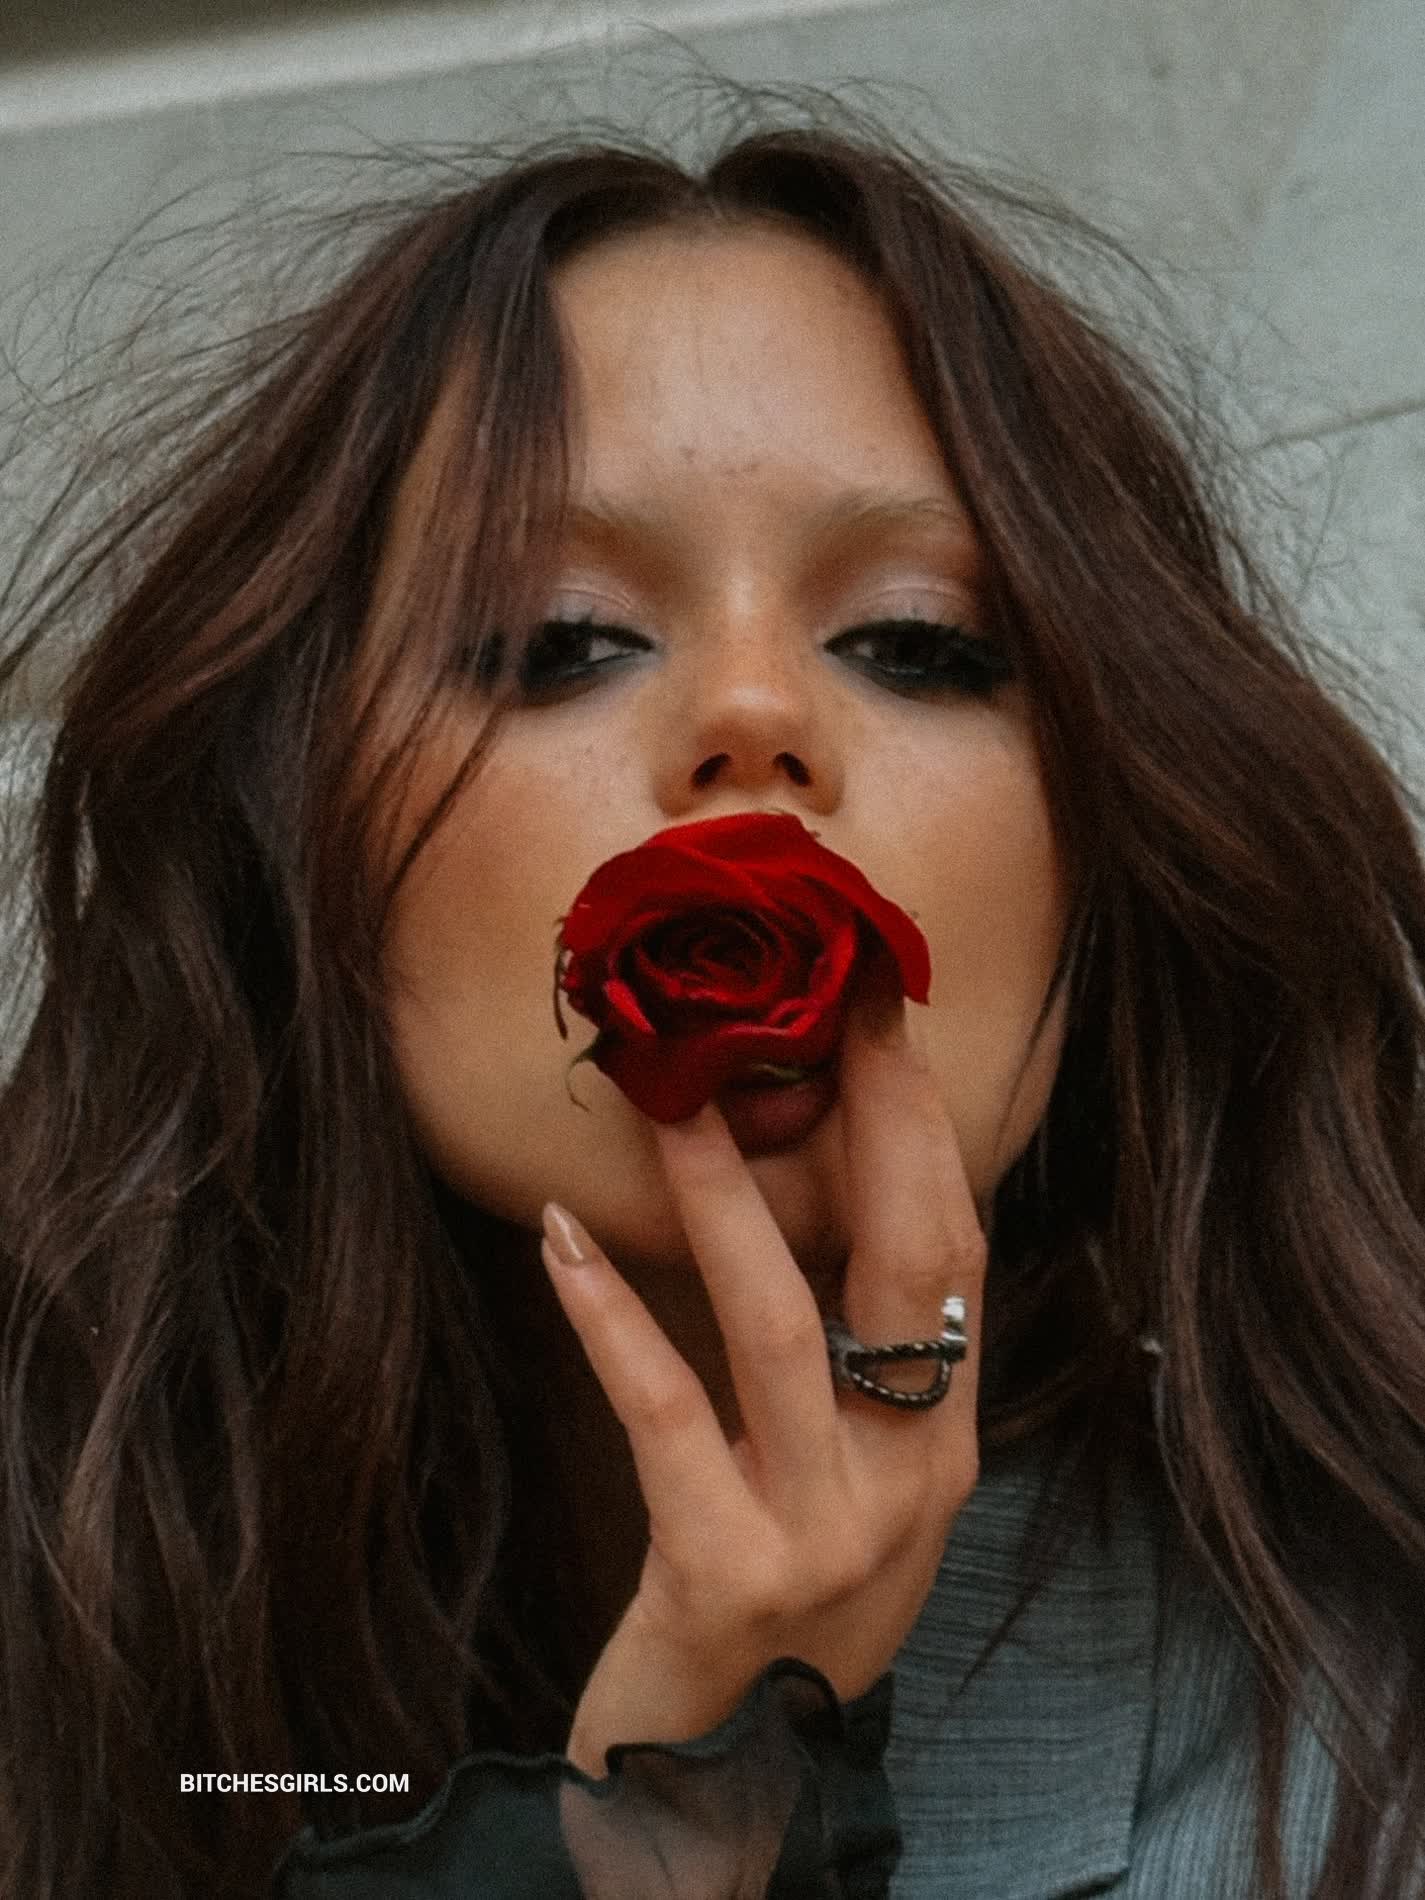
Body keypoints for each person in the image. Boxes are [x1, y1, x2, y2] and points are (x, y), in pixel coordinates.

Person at [0, 114, 1422, 1900]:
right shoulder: (81, 1664)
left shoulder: (1369, 1748)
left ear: (1110, 848)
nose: (752, 716)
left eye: (916, 641)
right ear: (297, 848)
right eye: (559, 639)